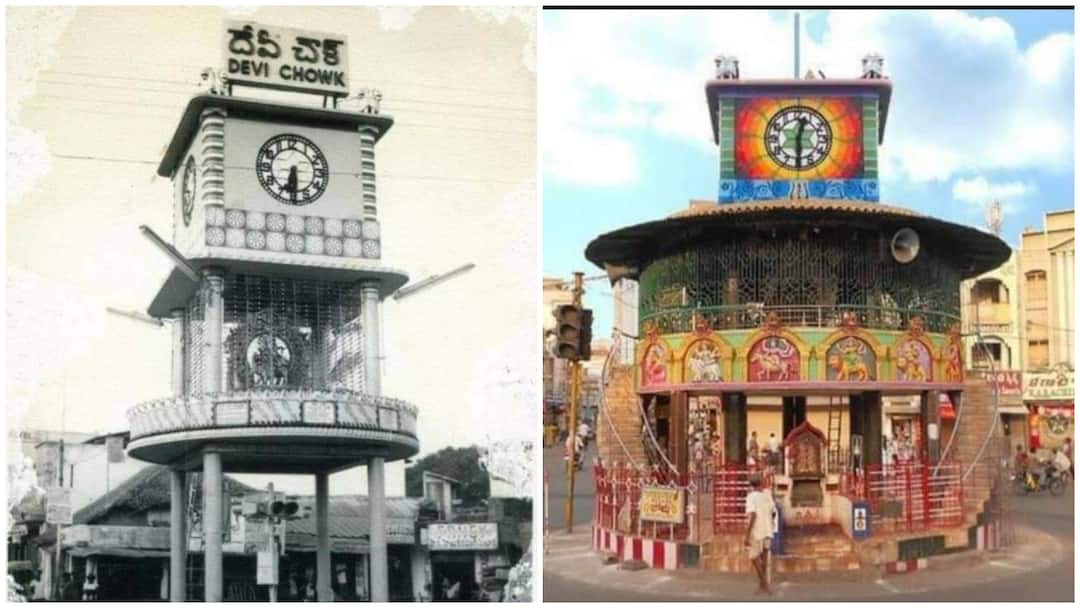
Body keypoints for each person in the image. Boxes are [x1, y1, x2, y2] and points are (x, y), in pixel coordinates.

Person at [743, 474, 776, 595]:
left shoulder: (751, 497)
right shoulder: (767, 495)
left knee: (754, 557)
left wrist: (747, 535)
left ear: (751, 485)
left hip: (756, 530)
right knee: (764, 559)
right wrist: (769, 523)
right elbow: (773, 513)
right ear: (761, 483)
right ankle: (762, 585)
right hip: (768, 529)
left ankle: (764, 584)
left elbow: (753, 515)